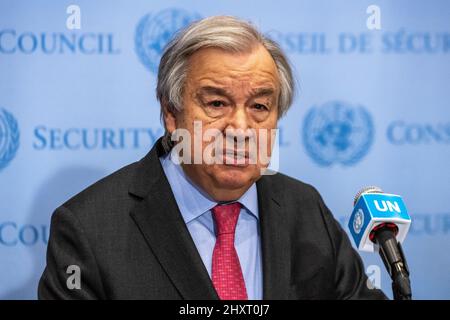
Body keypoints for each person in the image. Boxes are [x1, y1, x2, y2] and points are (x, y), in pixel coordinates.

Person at [38, 16, 387, 300]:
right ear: (171, 114)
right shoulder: (89, 228)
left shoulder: (305, 208)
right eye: (217, 103)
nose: (240, 128)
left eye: (259, 107)